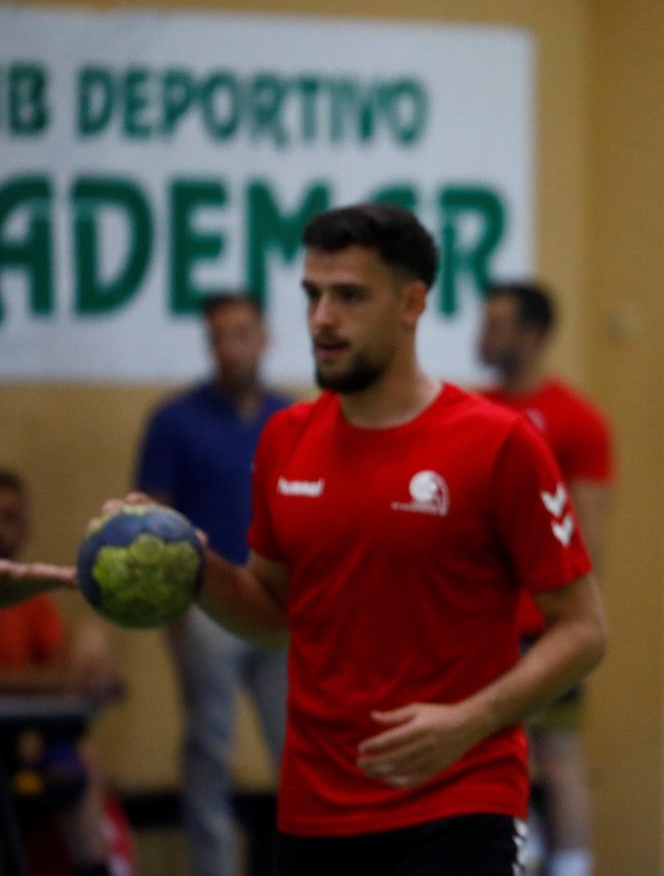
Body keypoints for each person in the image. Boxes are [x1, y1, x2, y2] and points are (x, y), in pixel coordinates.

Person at [3, 203, 607, 875]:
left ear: (412, 303)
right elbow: (272, 614)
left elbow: (582, 630)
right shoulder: (287, 438)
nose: (322, 318)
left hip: (456, 800)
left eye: (348, 295)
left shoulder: (499, 442)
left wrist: (468, 720)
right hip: (316, 807)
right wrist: (186, 560)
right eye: (313, 294)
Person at [136, 292, 293, 876]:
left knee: (302, 754)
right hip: (207, 612)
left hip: (280, 606)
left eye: (241, 334)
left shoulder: (292, 418)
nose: (231, 348)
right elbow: (153, 521)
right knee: (208, 752)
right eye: (219, 337)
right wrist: (173, 613)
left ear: (264, 337)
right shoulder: (173, 421)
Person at [477, 281, 612, 876]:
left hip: (544, 626)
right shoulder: (471, 412)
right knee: (487, 751)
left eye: (497, 322)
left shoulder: (576, 421)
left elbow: (590, 536)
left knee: (556, 752)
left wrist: (568, 623)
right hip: (480, 629)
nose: (483, 333)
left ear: (532, 334)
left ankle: (572, 866)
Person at [0, 469, 127, 876]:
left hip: (19, 750)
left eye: (11, 517)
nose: (3, 530)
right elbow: (54, 678)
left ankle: (95, 867)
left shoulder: (31, 600)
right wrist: (62, 680)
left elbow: (65, 670)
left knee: (80, 757)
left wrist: (95, 674)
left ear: (26, 527)